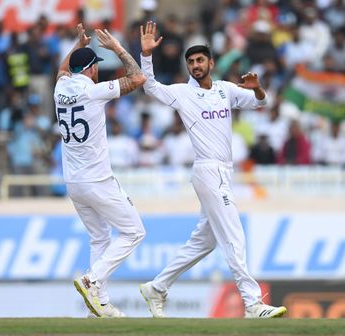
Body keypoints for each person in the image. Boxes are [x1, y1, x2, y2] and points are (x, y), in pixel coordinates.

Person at [138, 21, 287, 319]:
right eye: (191, 62)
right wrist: (146, 56)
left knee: (203, 242)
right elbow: (151, 86)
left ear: (211, 63)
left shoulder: (225, 90)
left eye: (200, 60)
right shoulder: (182, 93)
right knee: (234, 234)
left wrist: (258, 90)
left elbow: (261, 104)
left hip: (225, 172)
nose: (195, 65)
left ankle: (157, 286)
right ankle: (253, 303)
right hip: (208, 170)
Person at [53, 24, 146, 318]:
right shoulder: (94, 91)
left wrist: (77, 45)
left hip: (73, 181)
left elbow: (62, 70)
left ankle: (101, 303)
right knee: (134, 231)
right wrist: (118, 48)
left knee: (99, 239)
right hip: (98, 179)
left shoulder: (60, 89)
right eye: (96, 66)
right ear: (92, 69)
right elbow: (138, 78)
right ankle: (91, 280)